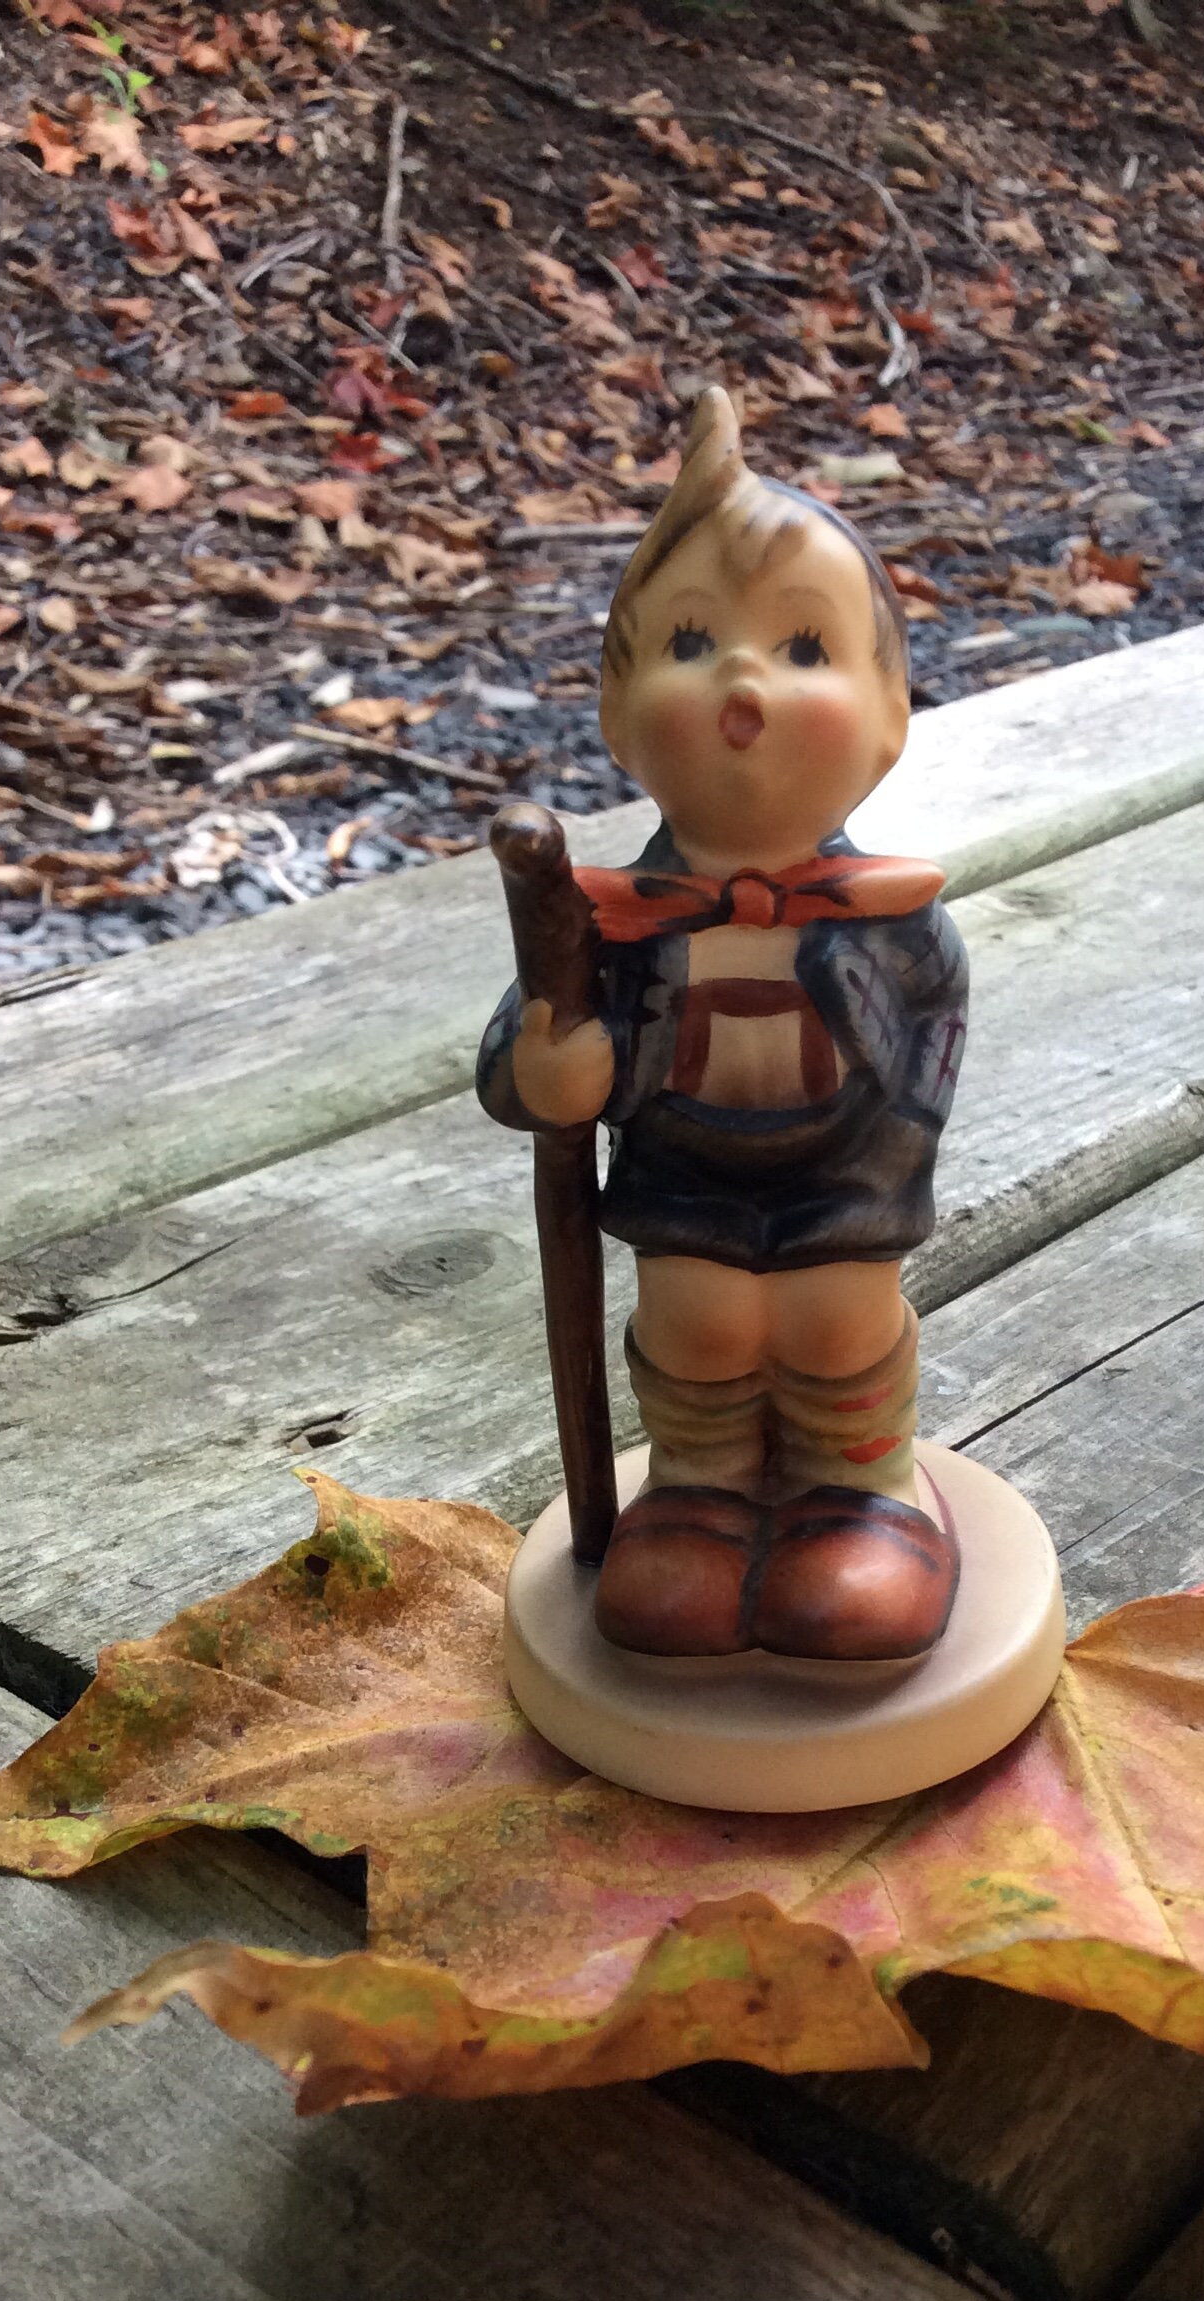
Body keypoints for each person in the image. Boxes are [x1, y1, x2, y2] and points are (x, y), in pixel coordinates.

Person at [478, 386, 967, 1663]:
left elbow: (931, 1041)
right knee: (696, 1321)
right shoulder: (604, 921)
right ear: (616, 709)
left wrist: (892, 1158)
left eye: (804, 648)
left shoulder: (893, 917)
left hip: (844, 1175)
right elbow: (530, 1042)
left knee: (834, 1321)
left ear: (891, 716)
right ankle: (696, 1498)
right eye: (693, 640)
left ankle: (860, 1495)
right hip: (682, 1170)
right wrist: (548, 1068)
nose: (745, 680)